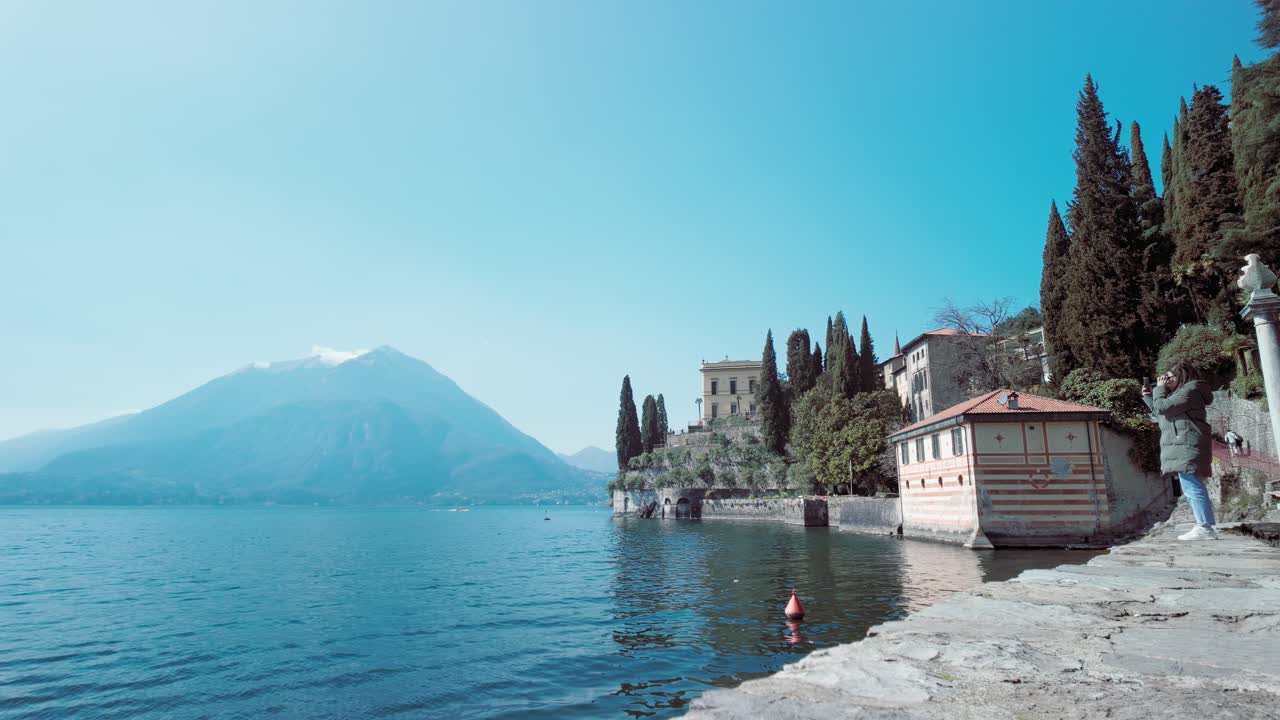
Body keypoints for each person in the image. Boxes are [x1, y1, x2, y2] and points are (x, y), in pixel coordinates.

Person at [1142, 364, 1218, 540]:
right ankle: (1203, 525)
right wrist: (1148, 397)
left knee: (1192, 485)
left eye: (1170, 377)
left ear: (1183, 376)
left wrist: (1160, 388)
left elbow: (1163, 407)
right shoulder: (1181, 394)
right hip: (1183, 443)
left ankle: (1205, 527)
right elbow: (1160, 411)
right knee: (1189, 485)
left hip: (1187, 443)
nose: (1167, 380)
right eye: (1165, 377)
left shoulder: (1191, 390)